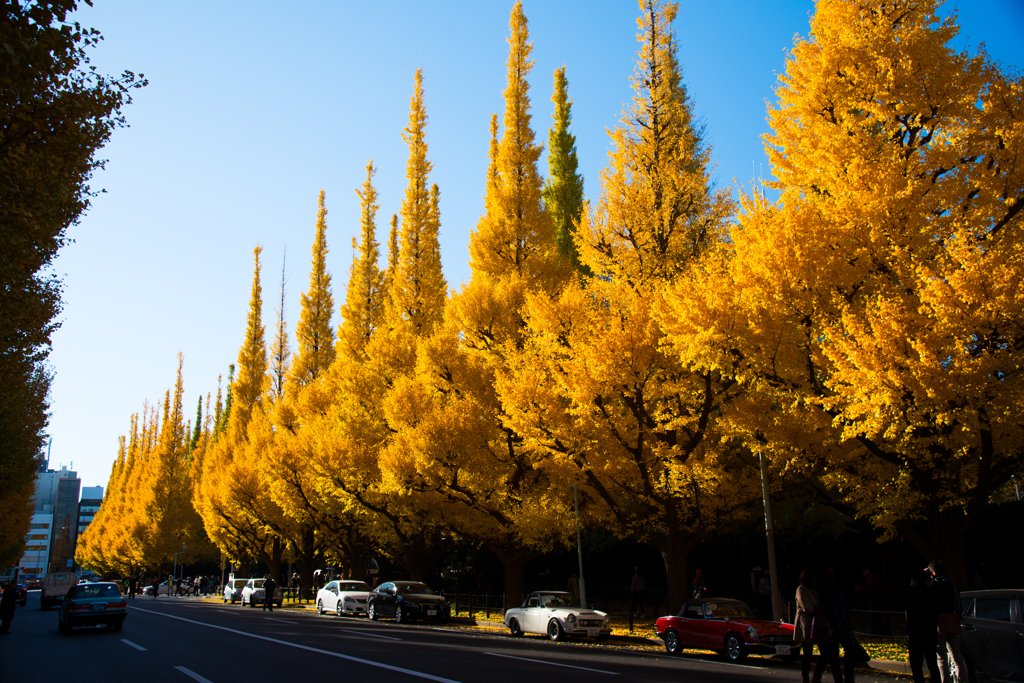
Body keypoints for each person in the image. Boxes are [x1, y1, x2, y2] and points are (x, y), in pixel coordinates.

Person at [927, 561, 966, 683]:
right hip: (953, 623)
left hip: (938, 624)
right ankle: (962, 680)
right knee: (957, 658)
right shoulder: (953, 588)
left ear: (933, 572)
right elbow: (959, 608)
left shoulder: (932, 586)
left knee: (942, 658)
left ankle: (945, 681)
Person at [906, 568, 940, 683]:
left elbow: (901, 605)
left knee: (916, 665)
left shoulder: (910, 592)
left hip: (915, 632)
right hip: (930, 632)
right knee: (932, 664)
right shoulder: (932, 592)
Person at [822, 567, 856, 683]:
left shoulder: (839, 589)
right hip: (832, 626)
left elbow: (844, 608)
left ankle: (849, 678)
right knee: (834, 655)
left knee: (849, 651)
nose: (831, 576)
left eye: (832, 573)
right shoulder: (824, 591)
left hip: (842, 624)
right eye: (828, 574)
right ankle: (839, 679)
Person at [795, 568, 829, 683]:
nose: (814, 580)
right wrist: (817, 609)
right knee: (807, 653)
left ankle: (816, 675)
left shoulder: (814, 590)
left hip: (817, 622)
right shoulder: (801, 589)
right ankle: (805, 678)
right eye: (812, 578)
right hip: (806, 624)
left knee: (825, 652)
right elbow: (806, 607)